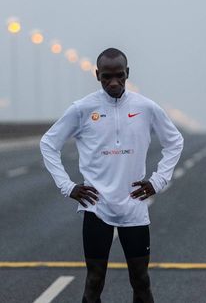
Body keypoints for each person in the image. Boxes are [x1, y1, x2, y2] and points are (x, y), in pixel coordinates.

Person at [40, 48, 184, 303]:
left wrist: (158, 180)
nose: (114, 82)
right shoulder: (82, 109)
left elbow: (174, 142)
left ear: (127, 73)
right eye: (107, 77)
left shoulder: (146, 107)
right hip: (97, 208)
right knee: (94, 281)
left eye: (119, 76)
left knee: (141, 280)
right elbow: (48, 144)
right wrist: (68, 186)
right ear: (97, 75)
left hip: (134, 207)